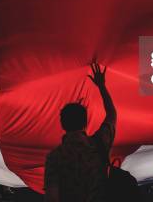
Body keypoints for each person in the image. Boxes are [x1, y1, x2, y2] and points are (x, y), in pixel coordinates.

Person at [44, 59, 117, 202]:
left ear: (62, 125)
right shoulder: (99, 143)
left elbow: (52, 197)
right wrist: (101, 86)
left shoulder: (55, 157)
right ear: (85, 122)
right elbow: (112, 115)